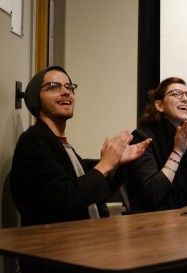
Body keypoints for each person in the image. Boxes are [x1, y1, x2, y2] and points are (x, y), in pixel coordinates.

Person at [10, 66, 151, 273]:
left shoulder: (60, 145)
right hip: (54, 258)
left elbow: (86, 195)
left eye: (69, 86)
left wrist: (116, 164)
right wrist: (104, 164)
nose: (66, 91)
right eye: (53, 86)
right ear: (35, 98)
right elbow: (66, 198)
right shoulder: (33, 141)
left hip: (82, 251)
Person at [120, 77, 187, 212]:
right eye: (176, 93)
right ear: (160, 105)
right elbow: (153, 194)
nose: (185, 99)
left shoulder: (185, 135)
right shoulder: (142, 137)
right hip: (156, 222)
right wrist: (178, 151)